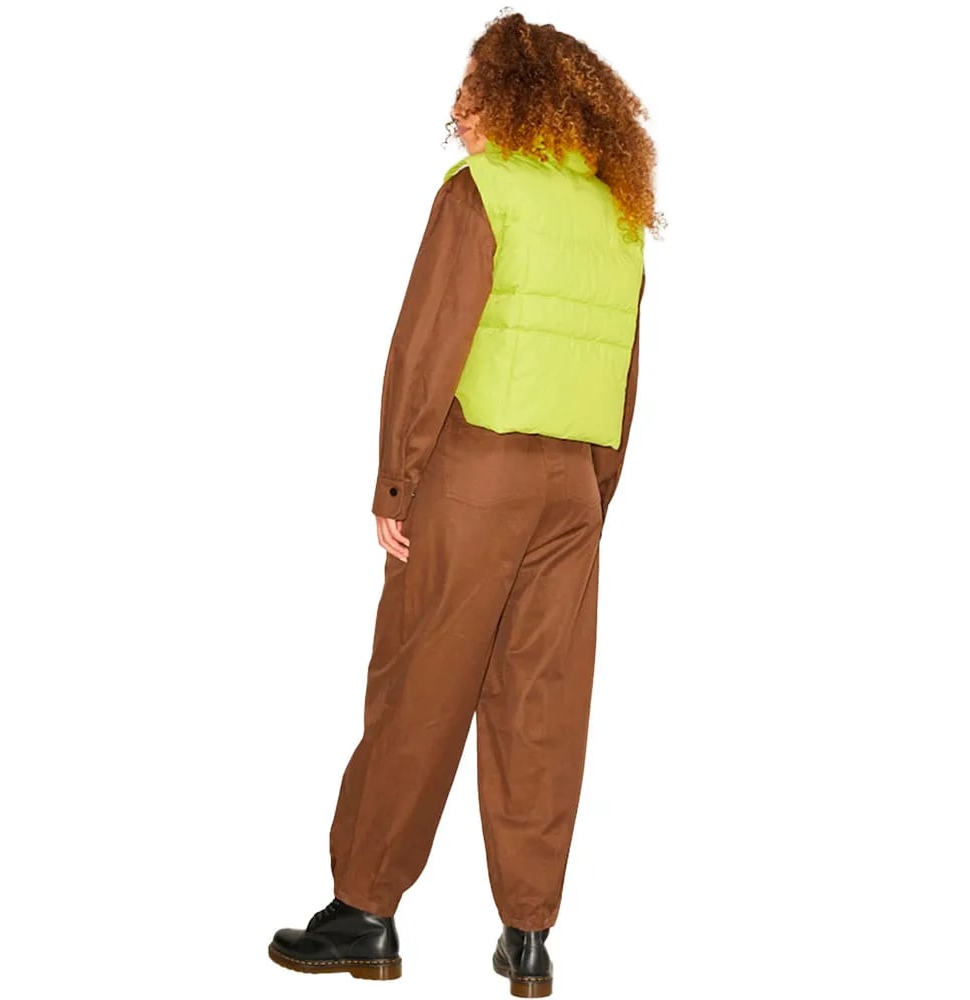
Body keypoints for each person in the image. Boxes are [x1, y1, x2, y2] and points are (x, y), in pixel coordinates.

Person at [268, 12, 663, 997]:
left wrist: (396, 480)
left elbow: (427, 344)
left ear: (512, 97)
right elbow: (626, 372)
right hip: (573, 487)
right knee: (542, 704)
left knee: (420, 682)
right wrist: (596, 494)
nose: (460, 106)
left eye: (473, 87)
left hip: (474, 472)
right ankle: (528, 934)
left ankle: (364, 912)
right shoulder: (614, 211)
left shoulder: (481, 190)